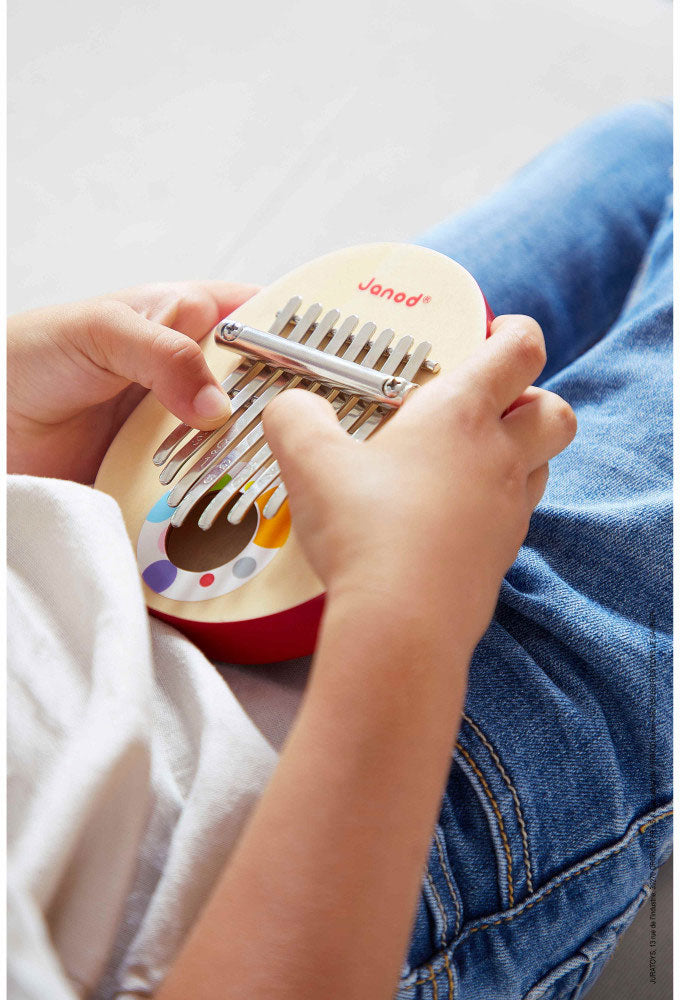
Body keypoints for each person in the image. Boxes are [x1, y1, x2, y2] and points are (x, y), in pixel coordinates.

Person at [7, 100, 671, 1000]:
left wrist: (16, 450)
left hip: (112, 571)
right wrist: (408, 611)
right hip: (342, 839)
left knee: (647, 152)